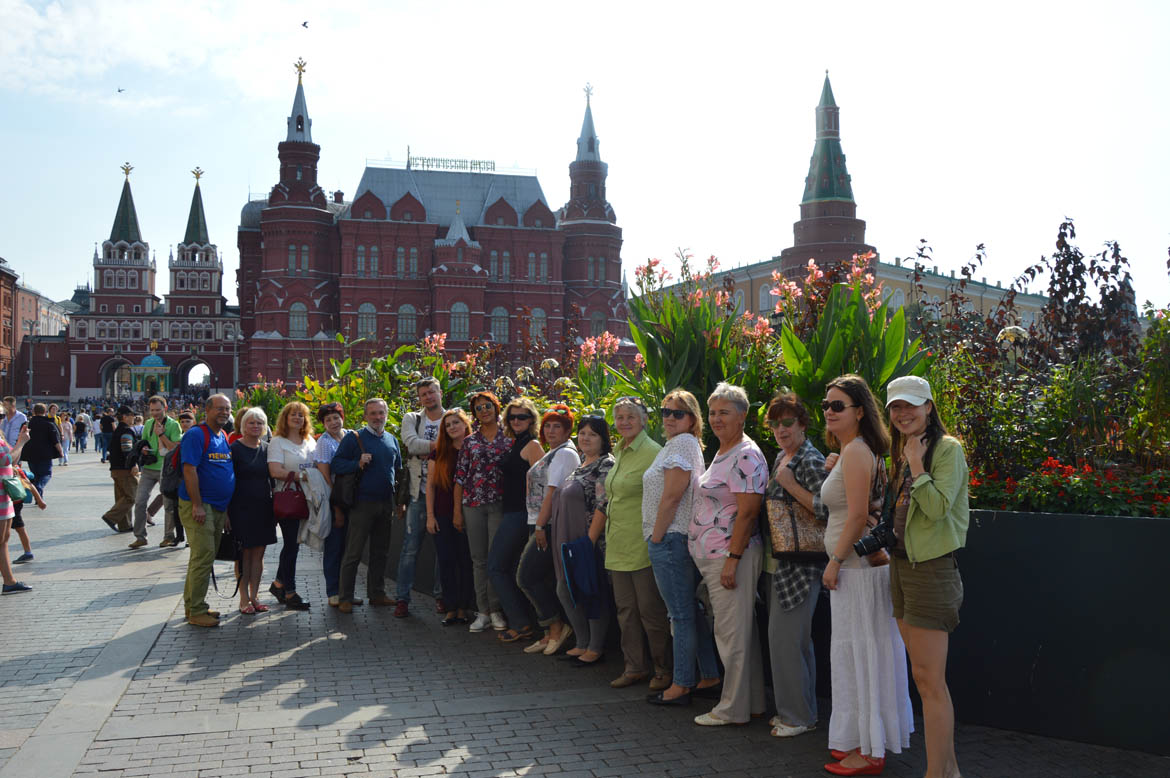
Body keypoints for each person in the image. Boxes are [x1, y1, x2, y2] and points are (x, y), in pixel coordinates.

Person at [820, 374, 912, 775]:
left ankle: (871, 750)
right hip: (857, 571)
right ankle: (862, 738)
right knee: (858, 654)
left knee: (862, 654)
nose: (828, 411)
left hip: (856, 570)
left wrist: (835, 561)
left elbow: (858, 515)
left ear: (860, 411)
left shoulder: (857, 451)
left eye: (838, 405)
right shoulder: (854, 451)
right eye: (825, 405)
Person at [885, 376, 968, 778]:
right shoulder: (903, 449)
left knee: (930, 682)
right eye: (896, 407)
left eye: (911, 405)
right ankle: (947, 770)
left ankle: (938, 774)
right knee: (922, 677)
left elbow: (936, 509)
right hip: (902, 566)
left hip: (931, 570)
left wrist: (916, 464)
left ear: (929, 407)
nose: (903, 414)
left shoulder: (946, 449)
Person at [690, 382, 768, 727]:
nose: (716, 419)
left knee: (730, 635)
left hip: (730, 557)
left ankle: (730, 709)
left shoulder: (746, 455)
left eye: (725, 412)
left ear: (743, 416)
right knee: (739, 633)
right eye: (713, 412)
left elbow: (749, 513)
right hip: (717, 555)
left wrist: (733, 560)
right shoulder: (725, 450)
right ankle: (750, 704)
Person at [644, 389, 722, 706]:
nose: (670, 418)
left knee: (680, 615)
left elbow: (673, 496)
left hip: (671, 538)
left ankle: (682, 684)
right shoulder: (677, 445)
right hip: (673, 538)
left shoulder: (682, 444)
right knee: (688, 610)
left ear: (692, 419)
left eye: (678, 413)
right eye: (666, 412)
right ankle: (709, 675)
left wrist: (658, 535)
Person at [762, 392, 829, 738]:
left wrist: (789, 484)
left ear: (802, 423)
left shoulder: (809, 460)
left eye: (788, 422)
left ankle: (798, 716)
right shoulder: (783, 456)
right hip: (783, 562)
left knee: (788, 640)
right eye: (774, 423)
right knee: (789, 641)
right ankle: (798, 711)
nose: (780, 429)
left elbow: (828, 510)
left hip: (803, 564)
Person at [599, 397, 671, 691]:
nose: (624, 422)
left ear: (643, 420)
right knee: (625, 611)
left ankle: (664, 670)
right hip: (617, 544)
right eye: (619, 418)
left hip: (643, 544)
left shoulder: (654, 452)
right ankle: (634, 667)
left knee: (650, 612)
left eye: (630, 416)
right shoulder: (619, 451)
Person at [551, 415, 614, 666]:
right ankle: (582, 641)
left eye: (593, 434)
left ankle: (595, 647)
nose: (586, 438)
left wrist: (588, 542)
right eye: (583, 433)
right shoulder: (580, 465)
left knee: (591, 591)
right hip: (569, 541)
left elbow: (603, 504)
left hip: (590, 540)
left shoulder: (605, 465)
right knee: (565, 589)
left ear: (604, 439)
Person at [331, 398, 403, 614]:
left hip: (385, 503)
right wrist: (357, 463)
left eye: (381, 413)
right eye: (373, 413)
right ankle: (345, 597)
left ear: (386, 415)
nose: (377, 417)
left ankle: (377, 594)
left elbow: (398, 471)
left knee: (380, 552)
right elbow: (336, 464)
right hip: (361, 503)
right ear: (365, 416)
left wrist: (400, 502)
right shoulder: (354, 438)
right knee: (353, 553)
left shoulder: (392, 440)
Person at [516, 405, 579, 655]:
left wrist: (541, 525)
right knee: (541, 578)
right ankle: (548, 632)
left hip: (550, 524)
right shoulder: (553, 452)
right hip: (538, 521)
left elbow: (552, 493)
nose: (551, 431)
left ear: (567, 430)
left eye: (558, 426)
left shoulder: (564, 454)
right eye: (548, 426)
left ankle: (557, 626)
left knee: (526, 576)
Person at [489, 397, 546, 643]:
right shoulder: (515, 443)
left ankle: (521, 623)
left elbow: (541, 484)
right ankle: (524, 622)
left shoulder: (532, 445)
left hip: (523, 514)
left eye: (522, 416)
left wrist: (537, 521)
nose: (516, 420)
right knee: (510, 569)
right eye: (512, 417)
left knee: (495, 566)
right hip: (512, 511)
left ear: (532, 420)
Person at [453, 391, 510, 632]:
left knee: (495, 558)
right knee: (478, 560)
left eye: (488, 406)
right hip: (473, 505)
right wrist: (457, 511)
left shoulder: (509, 438)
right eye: (478, 408)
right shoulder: (470, 441)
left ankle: (496, 609)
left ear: (497, 408)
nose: (484, 410)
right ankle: (483, 611)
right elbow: (460, 478)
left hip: (499, 504)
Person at [177, 394, 235, 628]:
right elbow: (189, 470)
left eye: (227, 409)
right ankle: (196, 610)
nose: (224, 412)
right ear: (207, 411)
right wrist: (198, 504)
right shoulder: (195, 435)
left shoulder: (222, 436)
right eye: (219, 408)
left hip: (218, 506)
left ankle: (193, 606)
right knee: (203, 556)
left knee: (203, 557)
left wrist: (226, 508)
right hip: (200, 505)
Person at [395, 377, 446, 618]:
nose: (428, 397)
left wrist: (428, 448)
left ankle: (441, 596)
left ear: (440, 393)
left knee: (442, 550)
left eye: (431, 392)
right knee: (409, 549)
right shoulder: (412, 419)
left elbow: (460, 445)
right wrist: (440, 445)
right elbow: (411, 445)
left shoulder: (451, 417)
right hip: (418, 493)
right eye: (423, 394)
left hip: (444, 494)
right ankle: (402, 599)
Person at [427, 409, 475, 625]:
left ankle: (465, 607)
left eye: (456, 423)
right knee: (446, 560)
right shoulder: (440, 452)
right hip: (443, 512)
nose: (452, 427)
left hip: (470, 512)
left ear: (465, 424)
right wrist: (430, 516)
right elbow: (430, 485)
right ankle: (450, 607)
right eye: (448, 425)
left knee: (466, 560)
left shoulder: (474, 448)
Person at [266, 401, 316, 611]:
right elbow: (275, 471)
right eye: (293, 415)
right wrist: (302, 475)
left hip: (308, 498)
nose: (298, 418)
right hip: (288, 498)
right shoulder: (278, 442)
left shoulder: (310, 441)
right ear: (285, 419)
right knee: (291, 544)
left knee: (293, 544)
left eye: (301, 415)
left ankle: (278, 584)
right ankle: (290, 592)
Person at [229, 407, 277, 615]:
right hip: (240, 508)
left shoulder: (268, 448)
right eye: (251, 423)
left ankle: (255, 596)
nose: (256, 426)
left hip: (263, 507)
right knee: (243, 555)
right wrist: (226, 513)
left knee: (258, 555)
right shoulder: (234, 449)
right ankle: (243, 599)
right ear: (243, 426)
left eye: (259, 423)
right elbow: (227, 481)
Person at [130, 396, 182, 549]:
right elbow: (144, 441)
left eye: (158, 410)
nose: (155, 413)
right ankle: (140, 537)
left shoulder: (173, 425)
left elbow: (175, 448)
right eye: (152, 410)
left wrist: (161, 435)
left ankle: (168, 536)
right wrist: (144, 449)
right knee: (139, 502)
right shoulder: (148, 423)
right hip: (149, 468)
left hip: (166, 469)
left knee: (168, 505)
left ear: (165, 409)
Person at [313, 402, 350, 607]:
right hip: (335, 500)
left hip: (352, 499)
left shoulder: (350, 435)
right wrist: (336, 507)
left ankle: (347, 591)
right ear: (323, 424)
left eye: (336, 417)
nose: (333, 422)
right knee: (335, 547)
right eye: (328, 420)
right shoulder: (324, 443)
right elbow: (327, 478)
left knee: (349, 548)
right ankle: (333, 591)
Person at [0, 427, 32, 593]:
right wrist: (21, 442)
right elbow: (4, 460)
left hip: (4, 493)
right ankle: (9, 581)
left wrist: (21, 442)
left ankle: (9, 581)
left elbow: (12, 461)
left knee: (4, 538)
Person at [101, 406, 139, 533]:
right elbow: (127, 449)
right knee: (131, 497)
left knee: (121, 497)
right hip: (125, 469)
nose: (133, 418)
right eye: (131, 415)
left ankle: (125, 525)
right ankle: (111, 517)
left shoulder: (118, 430)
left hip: (115, 468)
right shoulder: (127, 431)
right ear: (125, 417)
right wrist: (133, 464)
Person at [22, 404, 62, 496]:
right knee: (46, 474)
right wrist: (60, 451)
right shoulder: (49, 423)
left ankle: (39, 497)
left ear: (33, 412)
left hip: (30, 454)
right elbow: (55, 440)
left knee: (36, 475)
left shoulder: (28, 424)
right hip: (45, 454)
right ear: (45, 412)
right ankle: (38, 487)